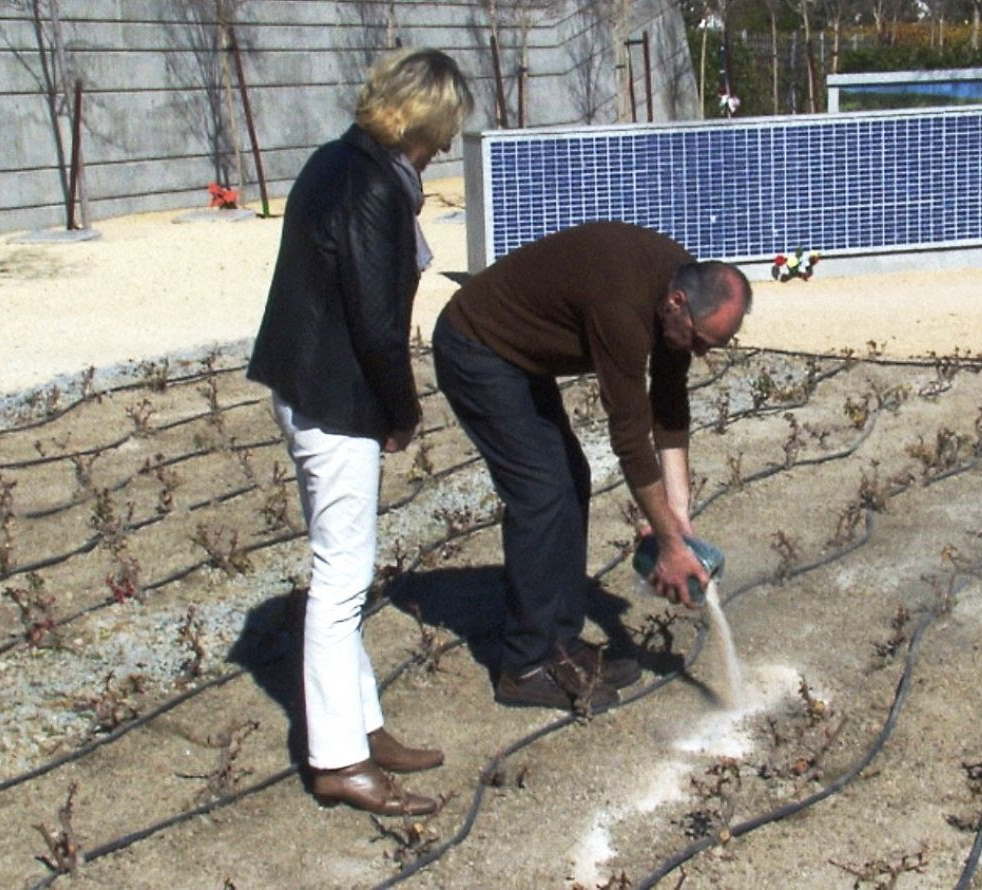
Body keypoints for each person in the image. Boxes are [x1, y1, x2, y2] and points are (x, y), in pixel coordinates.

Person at [247, 48, 473, 816]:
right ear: (417, 119)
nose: (442, 149)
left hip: (304, 382)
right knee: (341, 585)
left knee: (344, 575)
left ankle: (364, 727)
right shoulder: (376, 186)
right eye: (441, 133)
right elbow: (378, 323)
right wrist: (401, 412)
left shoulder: (335, 160)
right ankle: (339, 761)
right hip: (333, 398)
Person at [432, 221, 751, 713]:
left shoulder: (678, 283)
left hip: (520, 355)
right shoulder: (622, 306)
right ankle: (525, 664)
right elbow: (630, 438)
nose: (704, 354)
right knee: (540, 492)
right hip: (478, 349)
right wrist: (667, 545)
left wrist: (678, 517)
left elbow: (668, 404)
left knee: (569, 480)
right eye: (702, 341)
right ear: (677, 305)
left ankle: (559, 643)